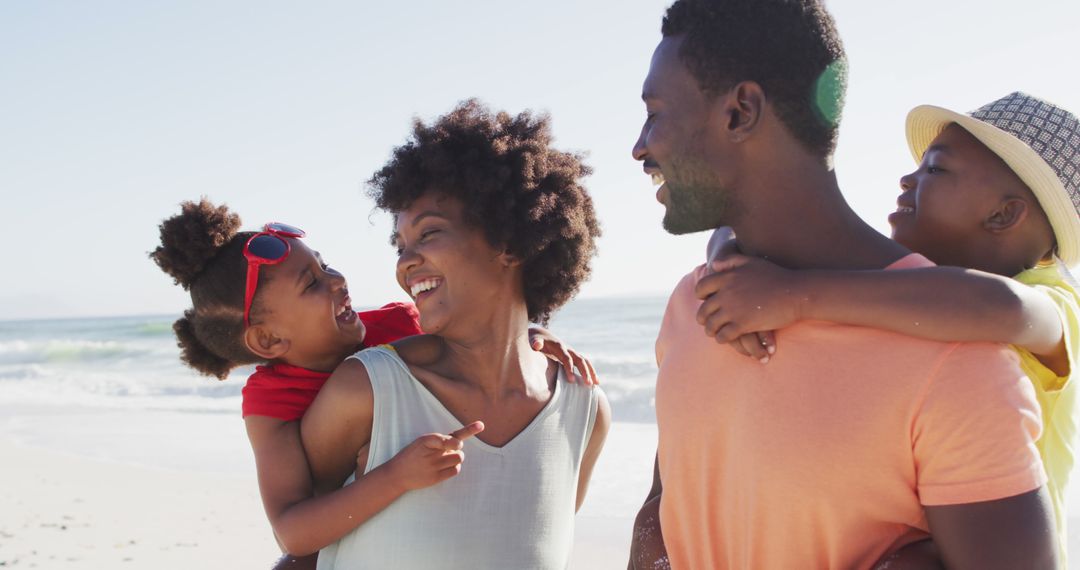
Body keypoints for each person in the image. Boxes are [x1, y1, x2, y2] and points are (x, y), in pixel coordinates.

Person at [628, 1, 1057, 568]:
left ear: (739, 113)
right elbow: (665, 506)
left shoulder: (957, 358)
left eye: (656, 113)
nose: (640, 146)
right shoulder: (699, 302)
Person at [692, 92, 1080, 566]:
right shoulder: (907, 289)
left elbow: (997, 305)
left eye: (935, 170)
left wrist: (794, 295)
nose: (906, 178)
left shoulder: (1055, 299)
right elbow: (762, 227)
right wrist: (727, 255)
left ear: (1004, 214)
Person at [150, 198, 597, 568]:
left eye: (325, 267)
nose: (337, 282)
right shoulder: (270, 401)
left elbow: (485, 337)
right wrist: (395, 476)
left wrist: (534, 337)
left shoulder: (400, 325)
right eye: (311, 284)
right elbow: (293, 531)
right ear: (268, 339)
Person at [301, 99, 610, 569]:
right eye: (401, 245)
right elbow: (301, 537)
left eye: (428, 235)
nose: (405, 262)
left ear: (508, 243)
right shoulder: (366, 391)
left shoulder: (584, 409)